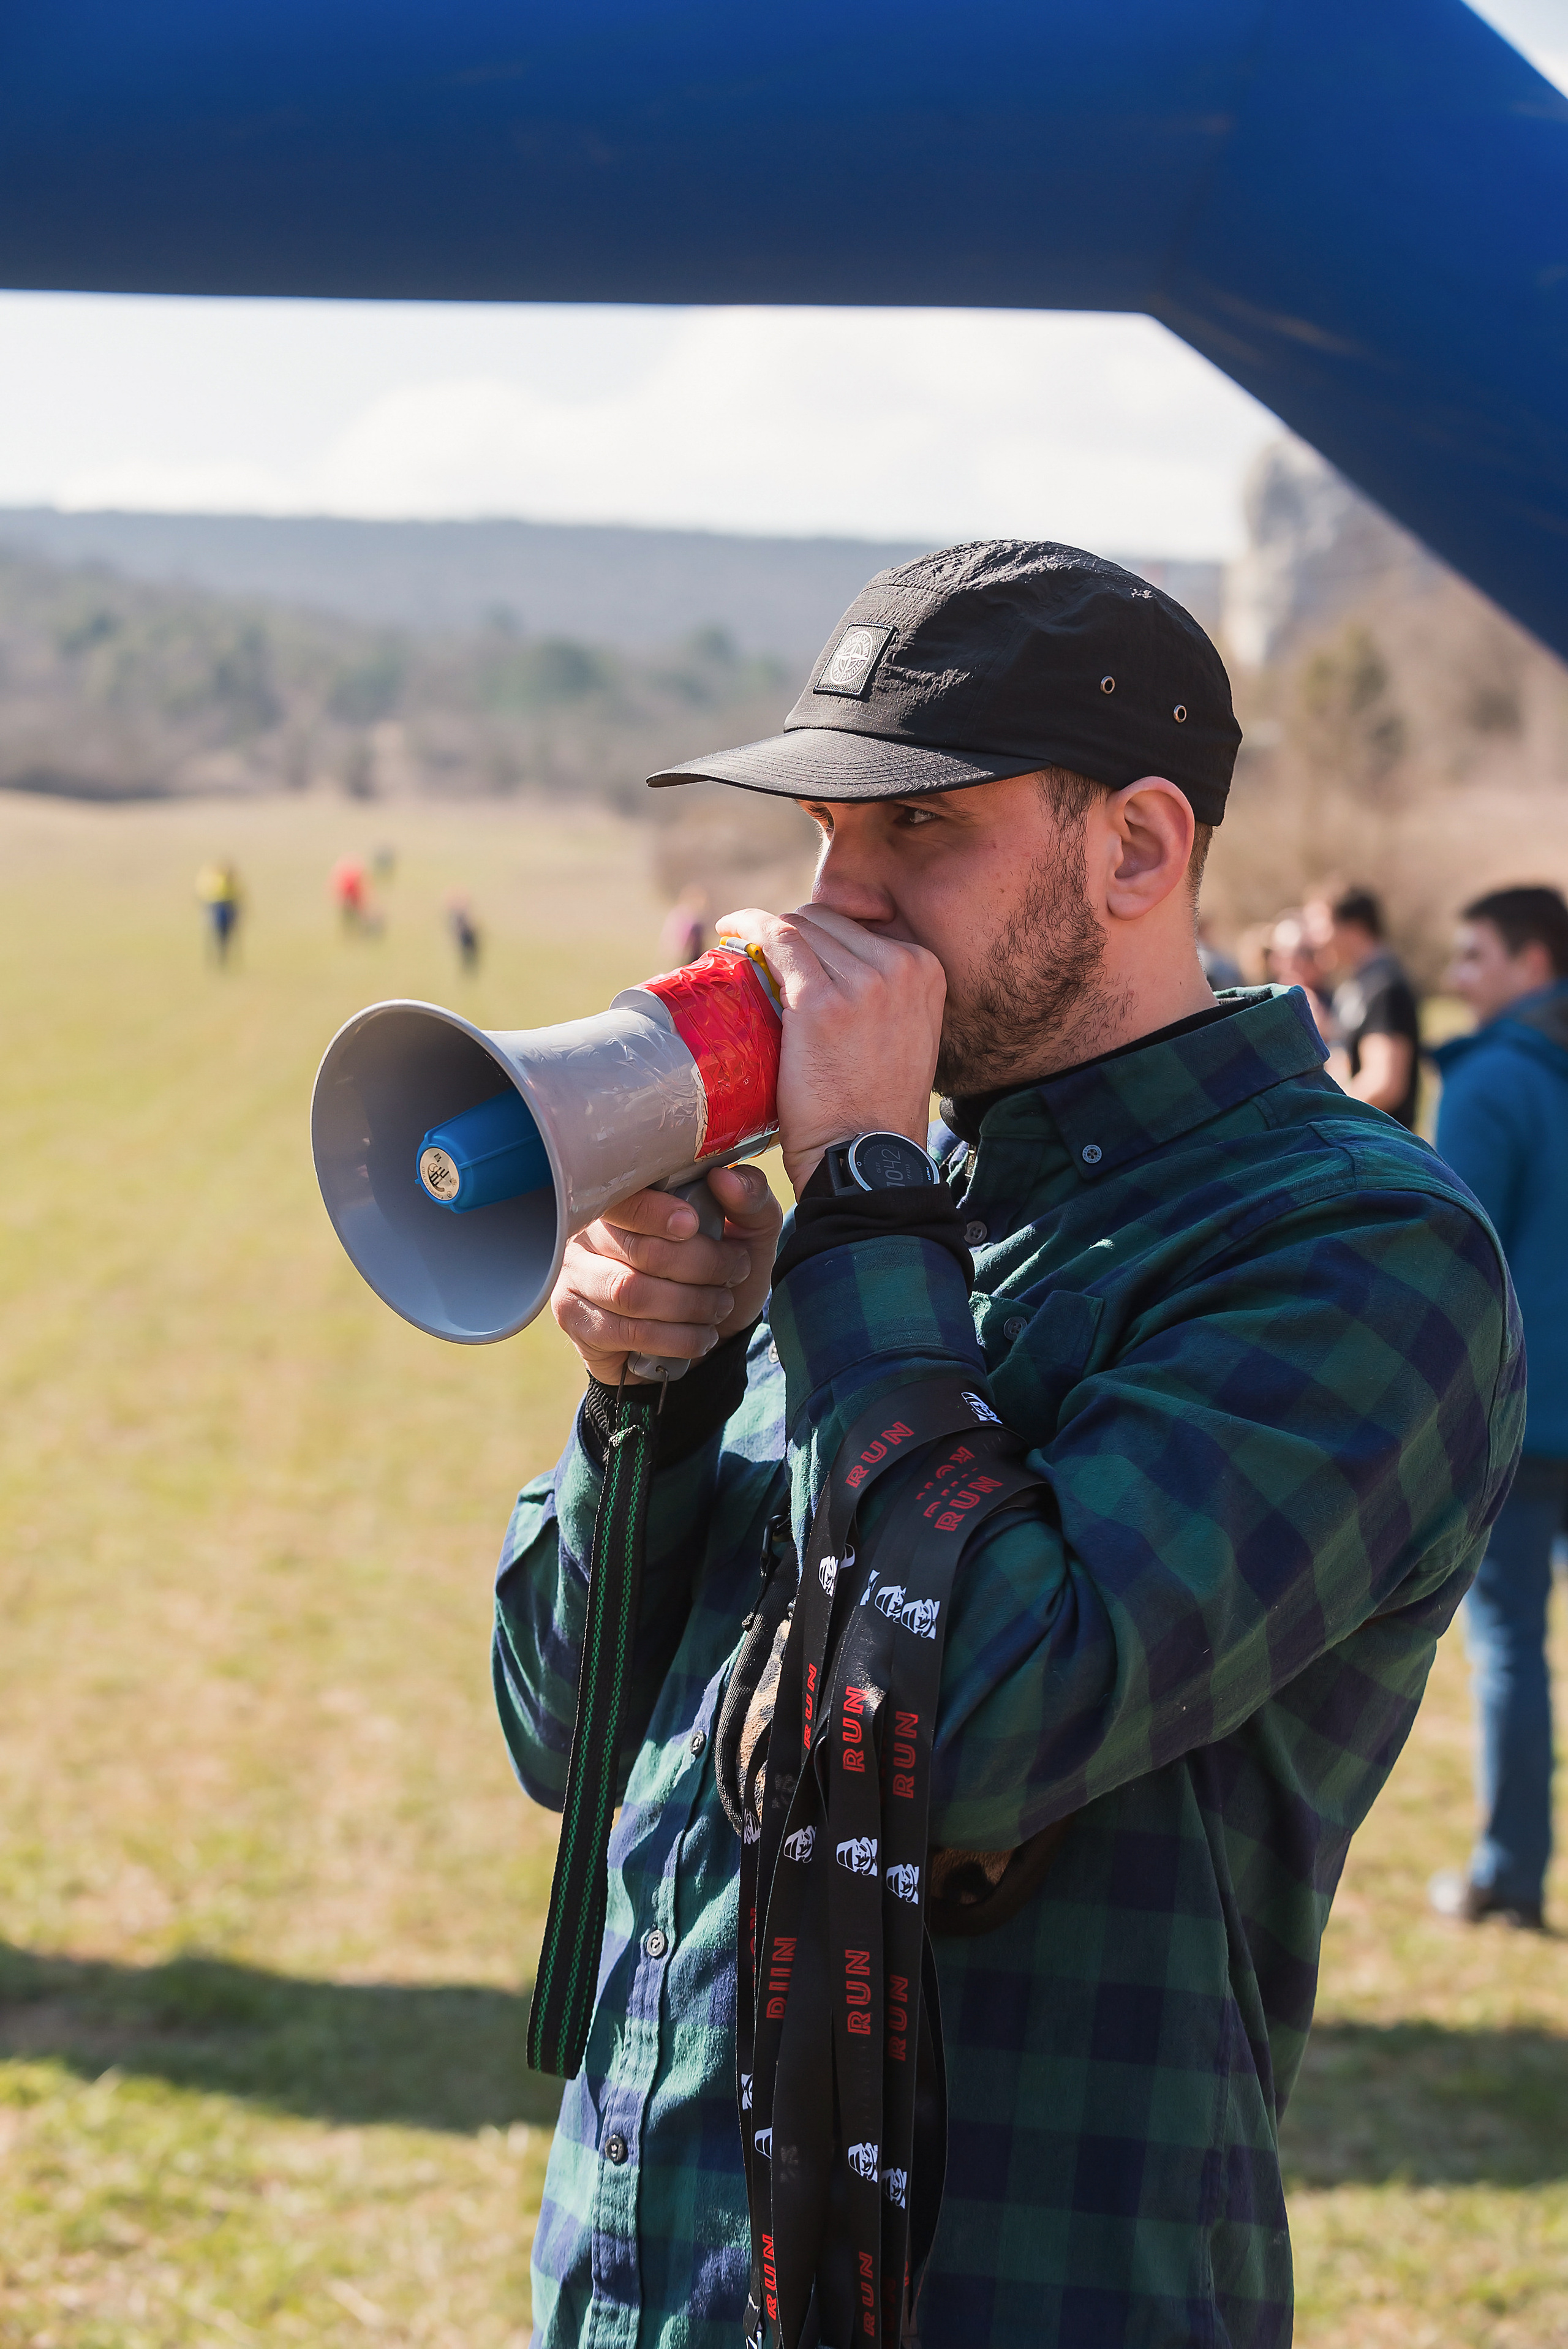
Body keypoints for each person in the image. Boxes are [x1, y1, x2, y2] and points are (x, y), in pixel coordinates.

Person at [492, 544, 1521, 2349]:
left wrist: (864, 1210)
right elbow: (557, 1727)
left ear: (1135, 850)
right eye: (826, 837)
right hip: (648, 2282)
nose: (838, 908)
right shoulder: (891, 1223)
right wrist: (646, 1389)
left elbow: (958, 1737)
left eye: (918, 836)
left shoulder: (1355, 1255)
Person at [1427, 886, 1568, 1932]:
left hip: (1528, 1414)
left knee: (1513, 1644)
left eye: (1473, 955)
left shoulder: (1494, 1082)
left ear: (1532, 963)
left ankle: (1512, 1871)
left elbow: (1452, 1271)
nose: (1457, 979)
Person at [1305, 886, 1422, 1126]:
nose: (1313, 941)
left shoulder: (1385, 986)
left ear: (1355, 928)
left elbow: (1384, 1084)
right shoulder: (1356, 985)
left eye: (1320, 928)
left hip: (1381, 1151)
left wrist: (1325, 1120)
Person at [195, 860, 243, 965]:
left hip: (229, 906)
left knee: (227, 935)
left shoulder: (232, 880)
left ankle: (224, 959)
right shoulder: (213, 879)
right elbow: (205, 893)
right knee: (215, 934)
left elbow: (238, 895)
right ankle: (213, 959)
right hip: (217, 906)